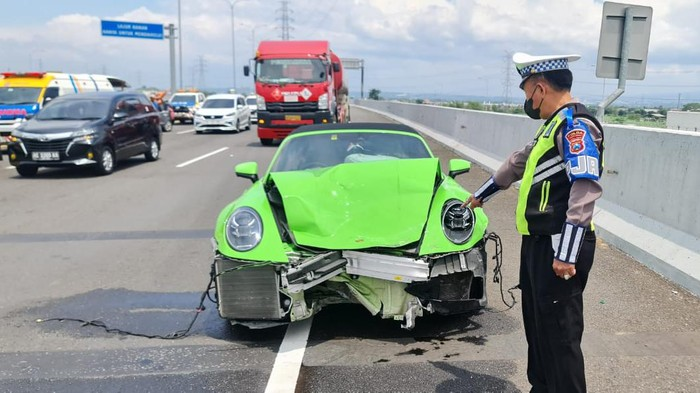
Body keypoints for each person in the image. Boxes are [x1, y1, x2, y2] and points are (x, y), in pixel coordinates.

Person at [465, 52, 604, 393]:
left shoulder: (576, 128)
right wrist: (481, 195)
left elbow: (585, 188)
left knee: (560, 336)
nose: (527, 99)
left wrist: (567, 253)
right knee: (539, 328)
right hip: (539, 244)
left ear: (540, 88)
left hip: (560, 244)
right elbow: (517, 163)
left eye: (527, 91)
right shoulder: (552, 126)